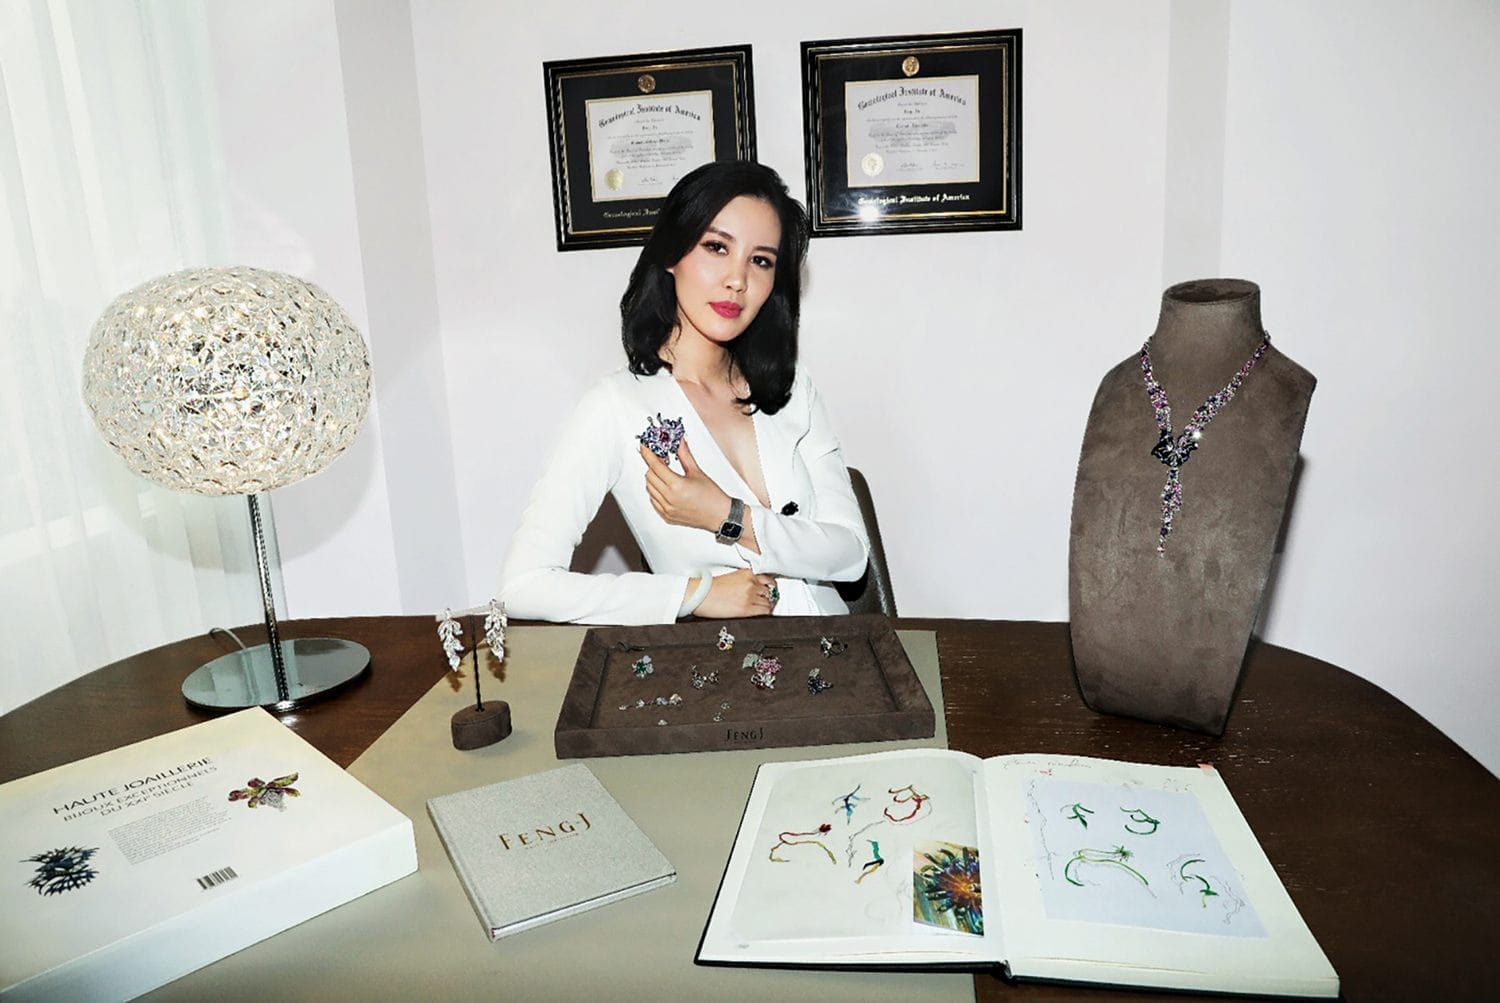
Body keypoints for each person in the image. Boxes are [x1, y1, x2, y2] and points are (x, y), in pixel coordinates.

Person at [497, 160, 869, 624]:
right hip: (723, 661)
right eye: (717, 247)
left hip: (839, 649)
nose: (738, 280)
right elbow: (523, 585)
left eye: (760, 260)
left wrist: (727, 515)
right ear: (672, 253)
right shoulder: (617, 407)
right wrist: (693, 594)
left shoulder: (793, 389)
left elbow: (852, 555)